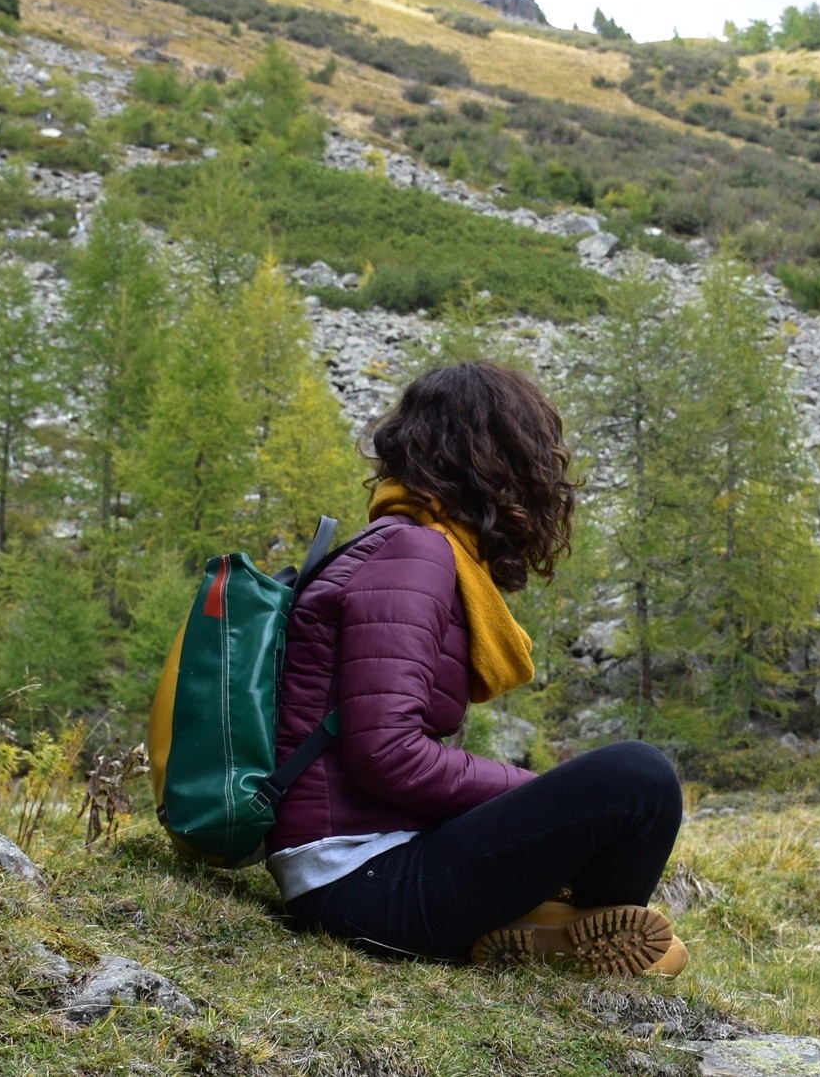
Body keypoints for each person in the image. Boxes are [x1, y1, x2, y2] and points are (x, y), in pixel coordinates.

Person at [267, 360, 688, 975]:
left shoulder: (401, 544)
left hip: (364, 865)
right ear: (497, 458)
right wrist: (533, 791)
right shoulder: (414, 553)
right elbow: (385, 753)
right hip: (357, 883)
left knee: (627, 789)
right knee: (639, 780)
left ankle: (555, 926)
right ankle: (570, 927)